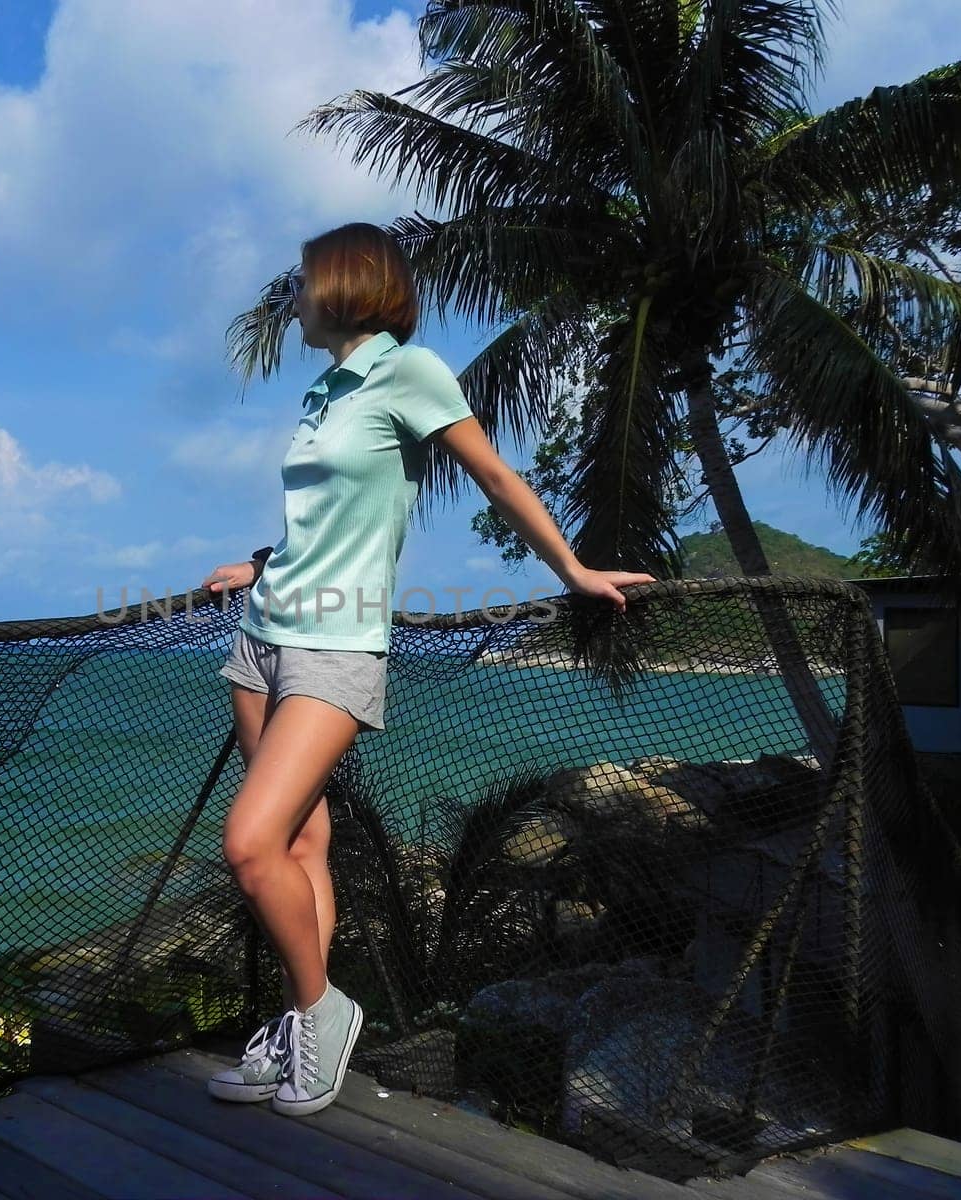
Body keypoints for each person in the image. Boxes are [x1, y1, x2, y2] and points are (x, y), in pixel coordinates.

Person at [198, 222, 653, 1117]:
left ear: (343, 285)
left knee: (249, 844)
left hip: (337, 646)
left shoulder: (409, 371)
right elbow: (326, 519)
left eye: (301, 279)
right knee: (300, 842)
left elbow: (494, 478)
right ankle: (300, 1029)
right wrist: (260, 565)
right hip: (263, 634)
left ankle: (324, 1010)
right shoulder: (326, 393)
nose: (289, 295)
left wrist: (571, 567)